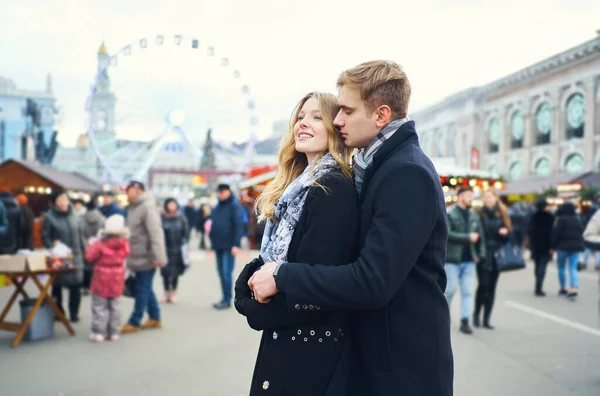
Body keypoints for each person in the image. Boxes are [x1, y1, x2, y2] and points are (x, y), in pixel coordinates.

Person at [248, 61, 453, 396]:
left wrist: (283, 276)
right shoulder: (374, 166)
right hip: (375, 358)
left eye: (346, 110)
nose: (337, 119)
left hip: (400, 368)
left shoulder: (407, 173)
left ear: (381, 115)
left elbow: (373, 281)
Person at [234, 92, 359, 396]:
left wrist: (253, 309)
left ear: (336, 127)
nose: (304, 123)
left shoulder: (331, 188)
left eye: (317, 117)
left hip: (309, 351)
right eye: (301, 117)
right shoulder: (298, 187)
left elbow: (316, 283)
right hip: (290, 340)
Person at [121, 181, 167, 334]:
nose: (126, 194)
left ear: (137, 190)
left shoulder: (147, 207)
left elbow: (155, 233)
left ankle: (135, 321)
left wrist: (158, 257)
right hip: (135, 256)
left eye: (128, 191)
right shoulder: (133, 208)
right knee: (145, 288)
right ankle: (155, 318)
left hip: (147, 257)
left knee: (142, 289)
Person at [444, 187, 486, 335]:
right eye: (468, 196)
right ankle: (443, 319)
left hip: (469, 260)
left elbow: (480, 235)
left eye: (472, 196)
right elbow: (447, 234)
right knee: (449, 291)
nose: (471, 199)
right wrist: (468, 237)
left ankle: (465, 321)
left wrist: (480, 254)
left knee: (468, 292)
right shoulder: (449, 213)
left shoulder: (474, 215)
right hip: (452, 260)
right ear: (460, 196)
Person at [42, 191, 86, 322]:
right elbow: (45, 236)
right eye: (59, 199)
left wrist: (86, 251)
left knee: (76, 285)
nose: (62, 202)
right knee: (57, 284)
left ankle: (74, 314)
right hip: (58, 255)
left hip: (76, 254)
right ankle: (58, 312)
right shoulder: (49, 217)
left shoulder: (76, 216)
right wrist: (52, 245)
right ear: (54, 202)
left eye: (64, 199)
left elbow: (81, 235)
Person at [84, 214, 130, 342]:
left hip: (101, 276)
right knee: (115, 305)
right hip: (117, 276)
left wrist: (90, 245)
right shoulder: (125, 244)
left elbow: (89, 257)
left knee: (99, 306)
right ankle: (114, 332)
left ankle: (99, 333)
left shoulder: (100, 243)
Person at [475, 189, 511, 329]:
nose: (487, 199)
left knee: (491, 288)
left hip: (497, 255)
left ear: (495, 198)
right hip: (483, 254)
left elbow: (510, 235)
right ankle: (476, 314)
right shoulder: (478, 213)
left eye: (490, 196)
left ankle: (486, 319)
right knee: (483, 285)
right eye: (485, 197)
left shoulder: (502, 213)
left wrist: (505, 232)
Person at [209, 184, 244, 310]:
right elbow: (214, 225)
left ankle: (227, 299)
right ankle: (224, 297)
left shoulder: (234, 206)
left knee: (226, 273)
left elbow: (238, 226)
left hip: (229, 246)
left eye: (223, 191)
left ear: (229, 192)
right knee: (220, 272)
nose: (221, 194)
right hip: (218, 244)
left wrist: (236, 244)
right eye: (219, 192)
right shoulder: (217, 207)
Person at [551, 201, 585, 298]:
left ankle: (563, 288)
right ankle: (573, 288)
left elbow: (556, 234)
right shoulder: (577, 219)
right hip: (575, 247)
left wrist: (552, 247)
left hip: (562, 247)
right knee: (572, 268)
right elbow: (581, 232)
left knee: (561, 267)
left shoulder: (560, 220)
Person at [160, 198, 189, 303]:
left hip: (177, 249)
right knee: (165, 273)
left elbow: (185, 232)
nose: (172, 206)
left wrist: (184, 245)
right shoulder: (162, 218)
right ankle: (166, 294)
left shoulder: (181, 218)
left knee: (176, 273)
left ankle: (174, 294)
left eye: (173, 204)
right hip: (164, 249)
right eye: (170, 204)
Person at [527, 199, 555, 296]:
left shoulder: (533, 217)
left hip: (535, 244)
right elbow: (552, 232)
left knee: (537, 265)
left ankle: (537, 283)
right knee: (543, 266)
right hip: (546, 244)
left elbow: (529, 231)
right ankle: (539, 286)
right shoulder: (550, 217)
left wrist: (530, 245)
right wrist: (552, 246)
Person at [81, 198, 106, 295]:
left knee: (86, 267)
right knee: (97, 266)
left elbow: (80, 233)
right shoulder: (102, 218)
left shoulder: (81, 218)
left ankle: (85, 287)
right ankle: (96, 286)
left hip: (85, 244)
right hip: (98, 245)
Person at [581, 193, 600, 270]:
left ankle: (592, 264)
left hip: (593, 230)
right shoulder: (594, 208)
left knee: (590, 248)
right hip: (592, 230)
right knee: (591, 248)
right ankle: (595, 264)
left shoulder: (593, 208)